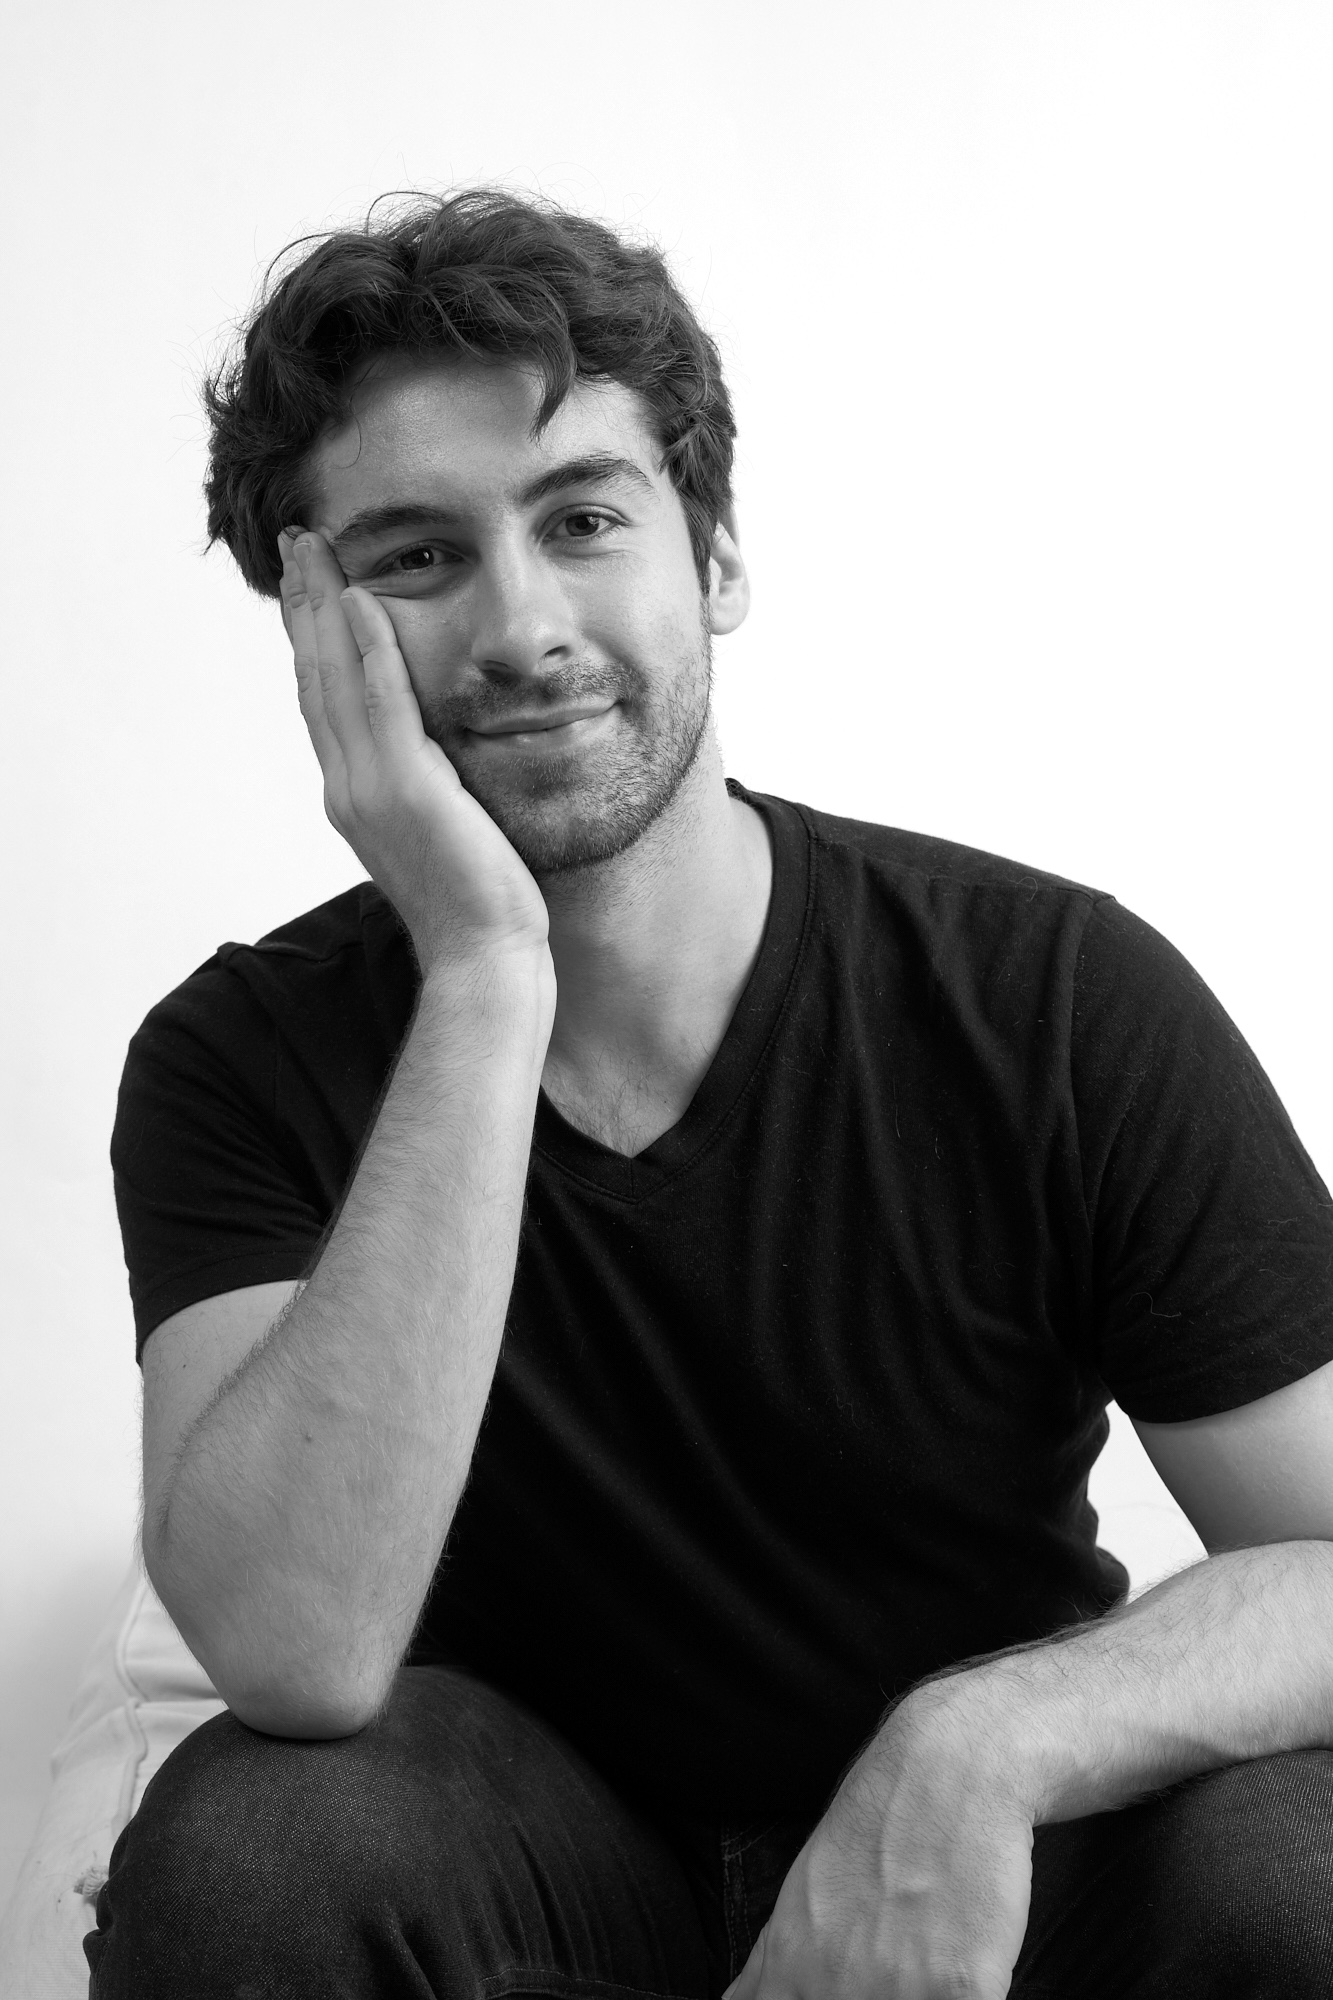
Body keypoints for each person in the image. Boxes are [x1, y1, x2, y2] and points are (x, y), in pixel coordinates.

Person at [85, 189, 1333, 1999]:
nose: (521, 628)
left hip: (1001, 1883)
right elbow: (295, 1650)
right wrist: (484, 973)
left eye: (583, 520)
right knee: (255, 1852)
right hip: (536, 1876)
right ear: (311, 631)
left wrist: (980, 1748)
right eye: (416, 558)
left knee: (1307, 1866)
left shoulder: (1052, 992)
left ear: (716, 557)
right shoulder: (235, 1058)